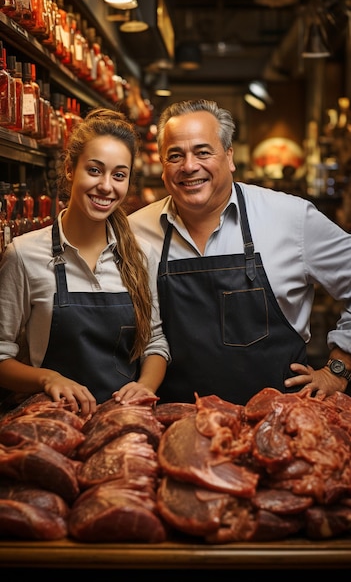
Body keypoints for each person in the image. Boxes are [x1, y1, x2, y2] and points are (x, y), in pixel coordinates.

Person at [128, 98, 351, 405]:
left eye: (203, 152)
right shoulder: (133, 232)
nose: (189, 166)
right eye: (175, 155)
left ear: (229, 156)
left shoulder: (290, 218)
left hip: (277, 425)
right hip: (175, 427)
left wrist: (339, 369)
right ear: (163, 167)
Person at [0, 108, 170, 417]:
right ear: (69, 169)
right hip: (54, 423)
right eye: (94, 170)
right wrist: (47, 377)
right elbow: (1, 356)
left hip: (124, 419)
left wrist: (144, 386)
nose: (106, 186)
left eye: (119, 175)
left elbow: (155, 343)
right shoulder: (24, 255)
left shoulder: (143, 255)